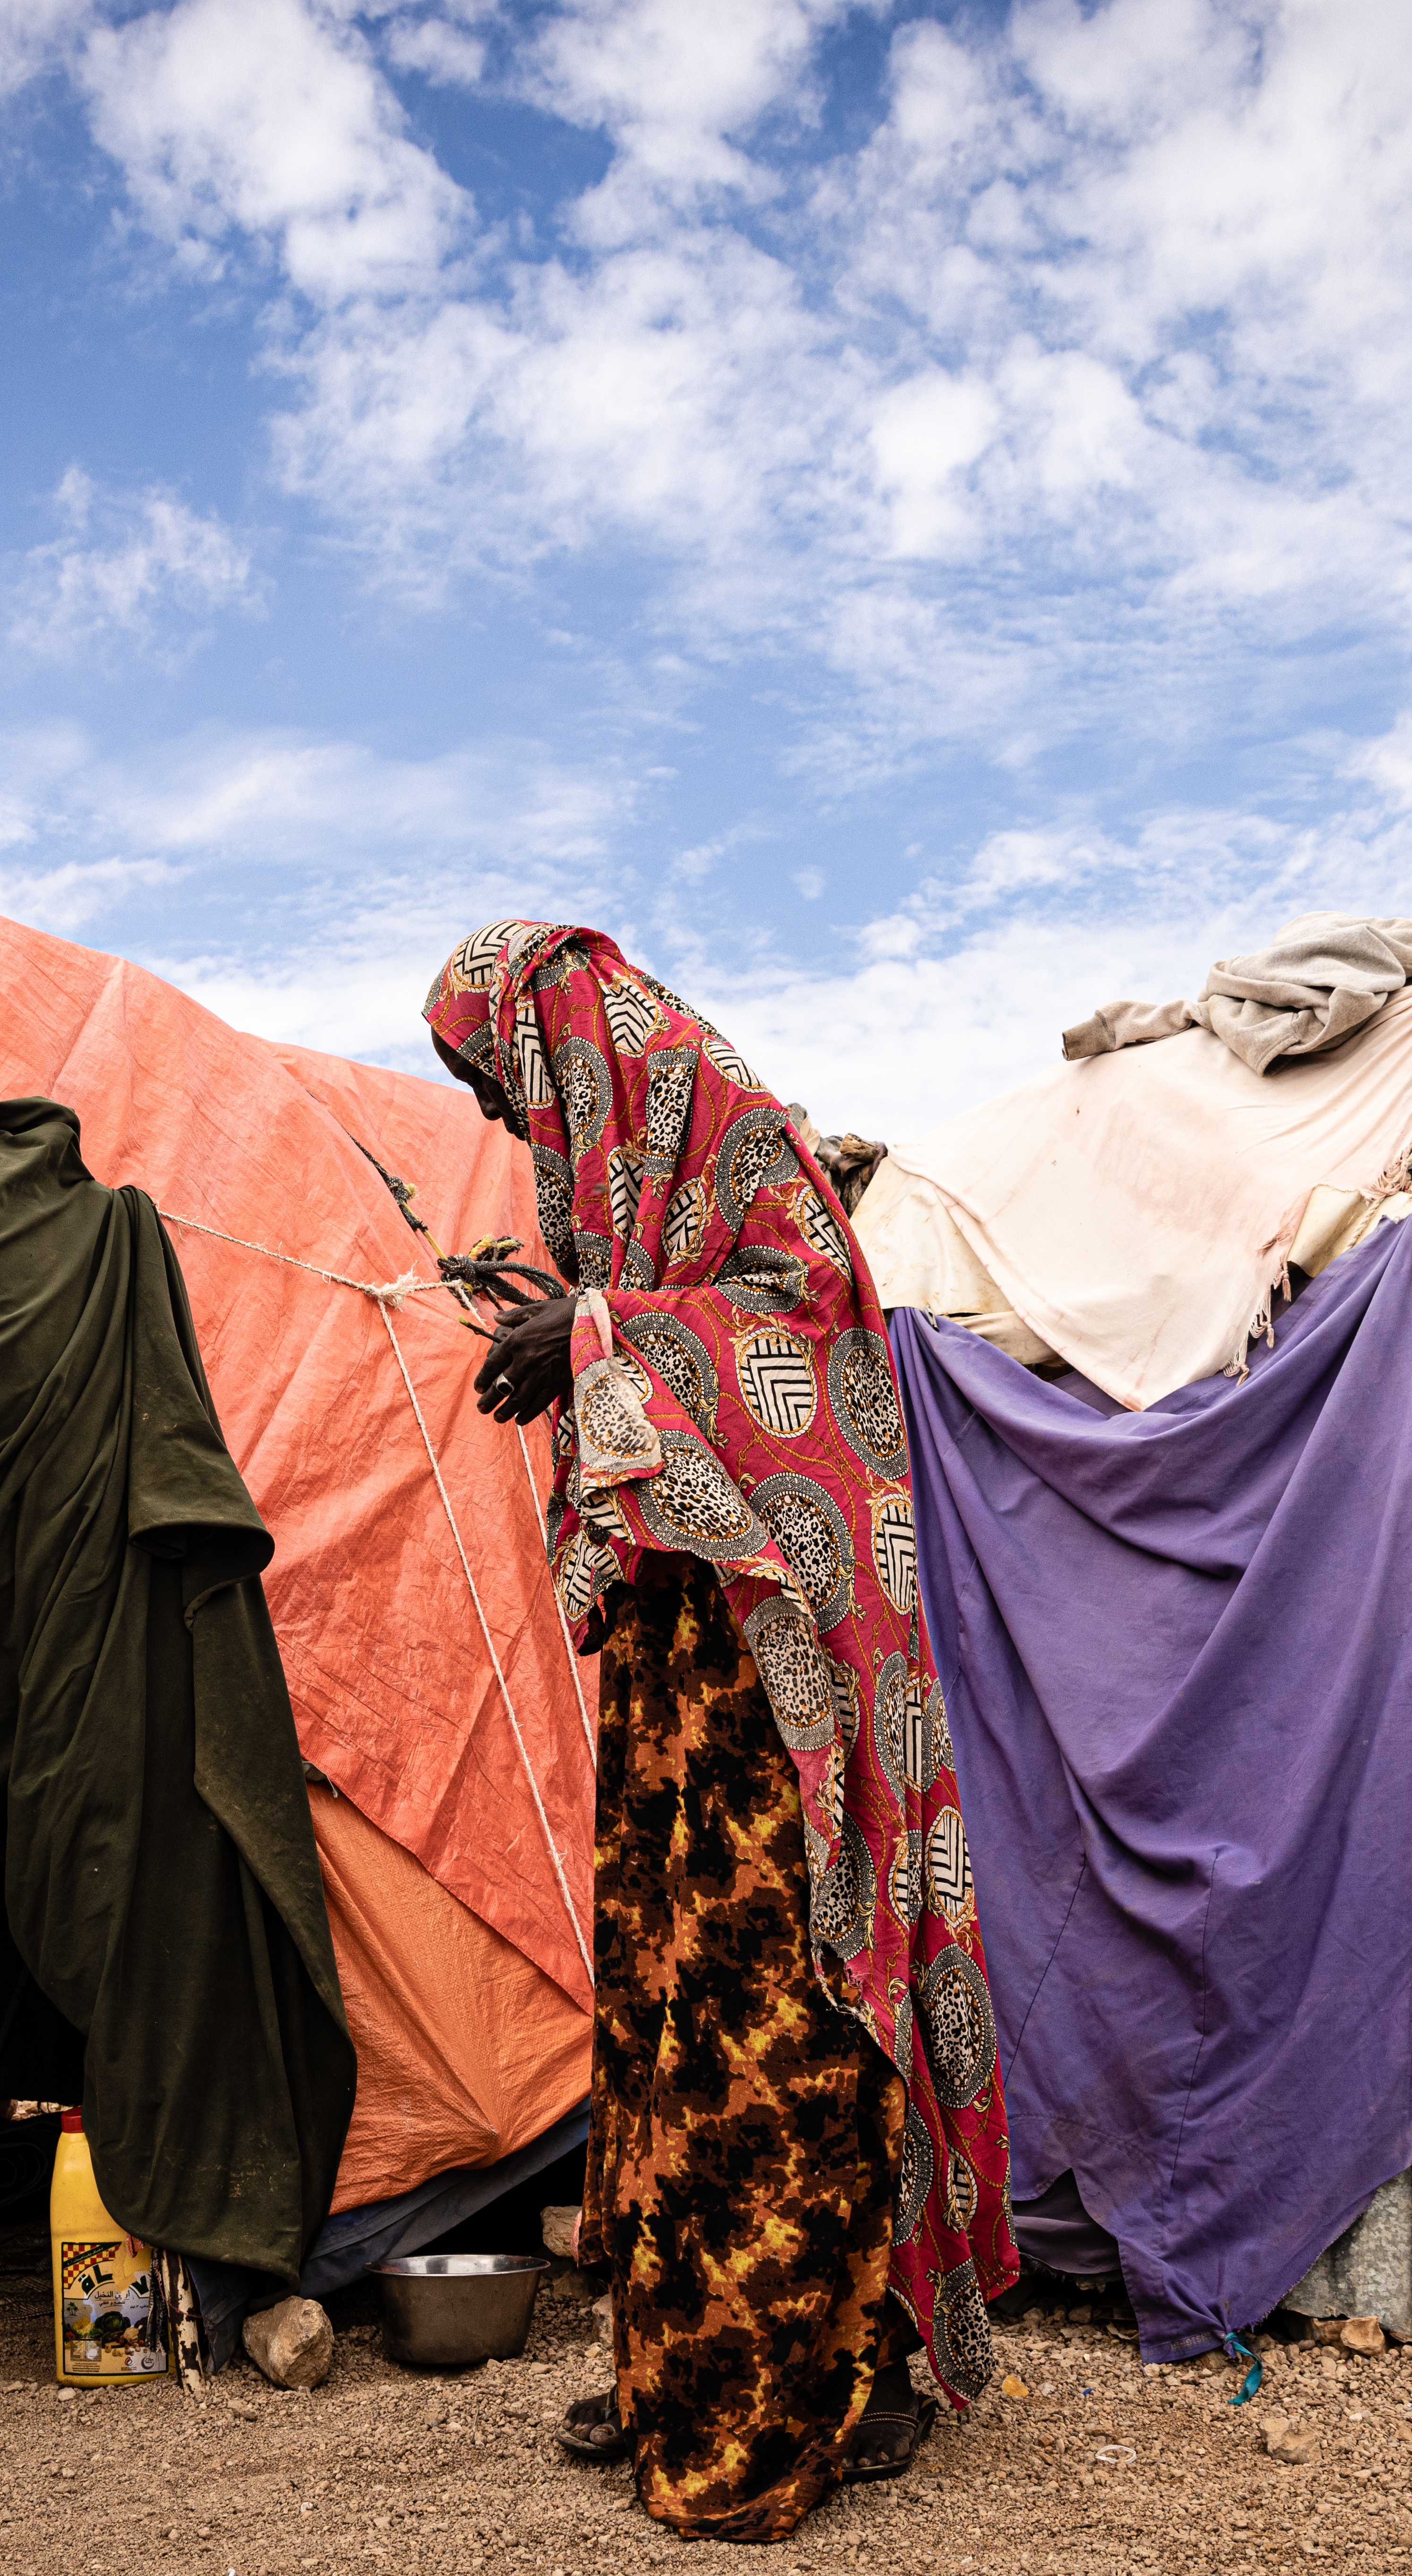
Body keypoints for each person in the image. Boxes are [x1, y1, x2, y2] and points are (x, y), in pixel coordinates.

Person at [423, 921, 1016, 2544]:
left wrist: (601, 1336)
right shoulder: (640, 1195)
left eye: (494, 1082)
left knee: (795, 2000)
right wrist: (579, 1327)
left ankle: (845, 2368)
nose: (493, 1119)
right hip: (686, 1669)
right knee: (676, 1999)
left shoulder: (748, 1149)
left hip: (786, 1673)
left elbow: (811, 1340)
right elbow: (663, 1347)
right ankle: (684, 2352)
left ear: (563, 1050)